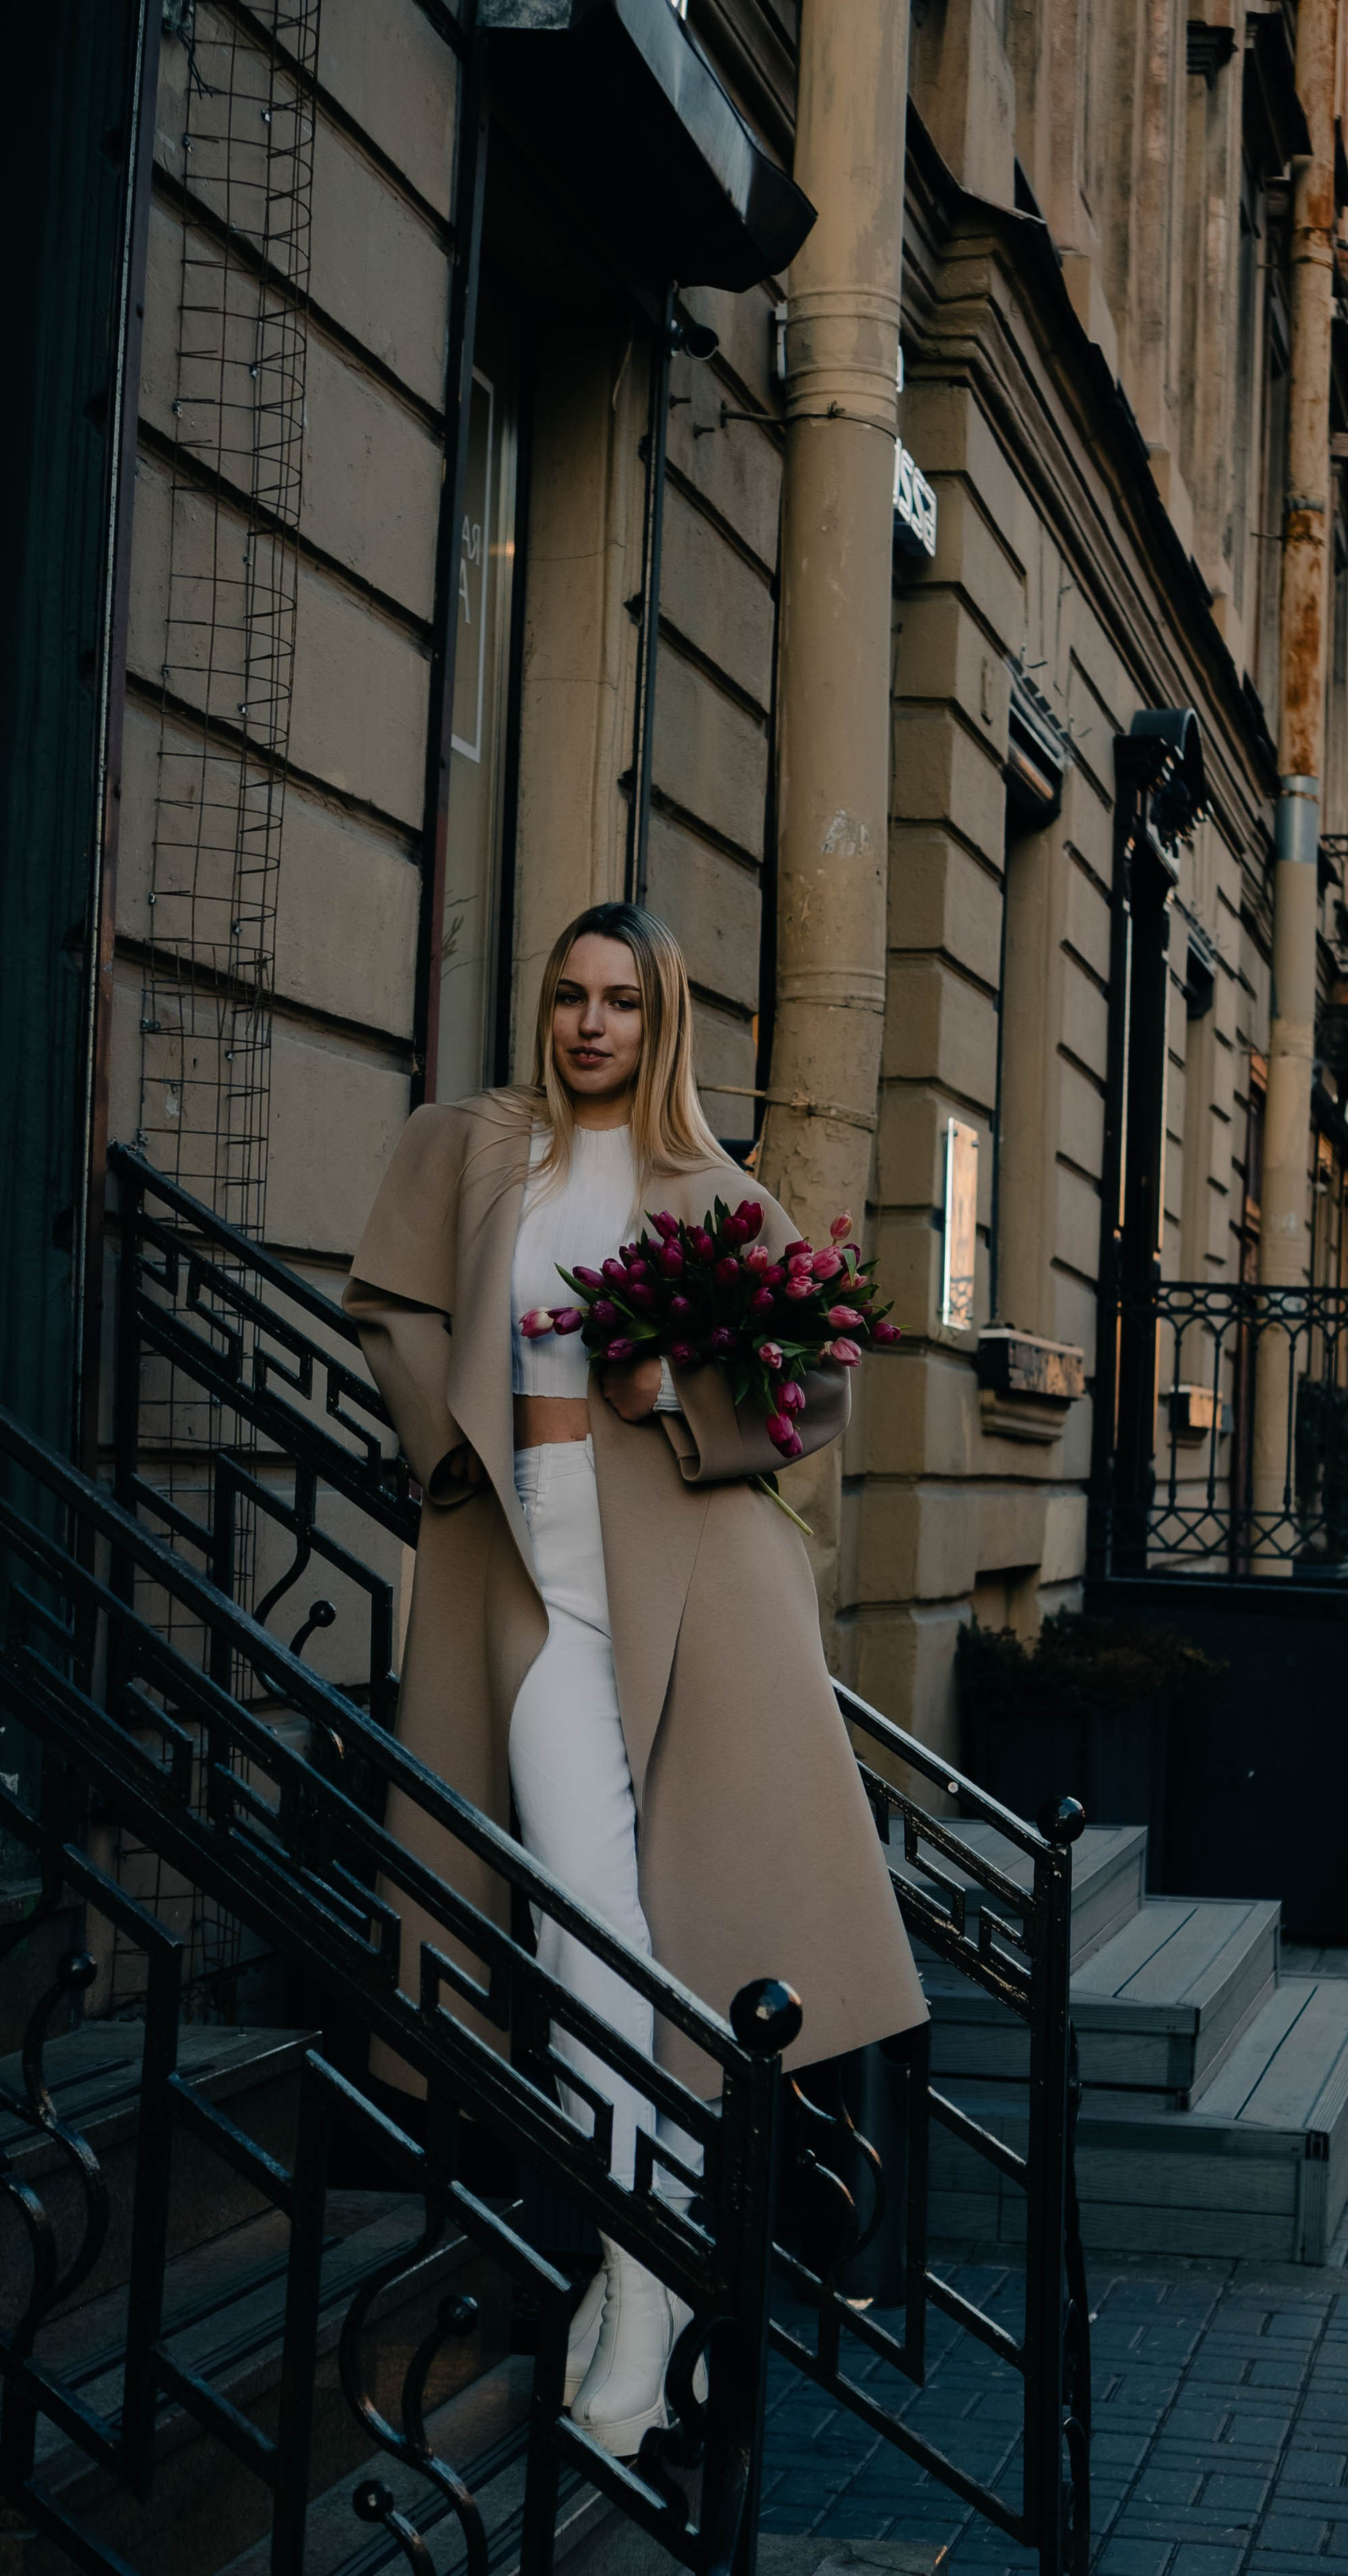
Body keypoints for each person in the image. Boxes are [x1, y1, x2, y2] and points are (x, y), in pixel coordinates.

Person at [344, 903, 926, 2453]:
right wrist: (447, 1453)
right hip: (524, 1577)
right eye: (567, 996)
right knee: (576, 1915)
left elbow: (817, 1384)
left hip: (683, 1591)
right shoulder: (476, 1149)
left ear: (661, 1022)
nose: (589, 1024)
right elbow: (392, 1308)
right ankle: (653, 2269)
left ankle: (640, 2281)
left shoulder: (717, 1193)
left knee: (662, 1928)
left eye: (619, 1001)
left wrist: (673, 1392)